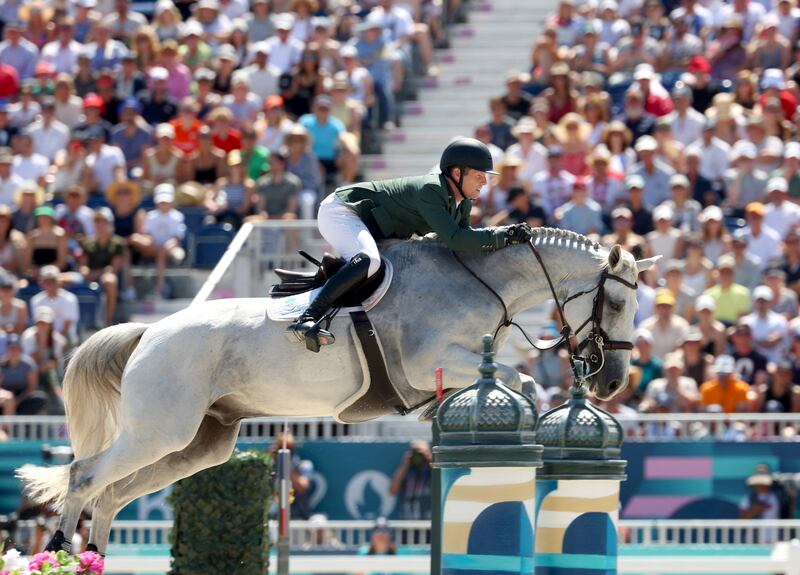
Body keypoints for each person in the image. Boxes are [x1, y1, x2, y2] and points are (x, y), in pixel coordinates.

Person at [285, 138, 533, 350]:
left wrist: (503, 237)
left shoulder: (463, 201)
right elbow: (457, 240)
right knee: (370, 260)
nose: (484, 183)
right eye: (479, 176)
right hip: (342, 211)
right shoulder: (431, 189)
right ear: (457, 173)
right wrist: (505, 235)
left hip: (371, 226)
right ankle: (308, 318)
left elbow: (466, 241)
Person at [390, 440, 432, 520]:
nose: (418, 456)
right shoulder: (407, 472)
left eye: (421, 453)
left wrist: (429, 459)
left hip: (428, 524)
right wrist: (405, 465)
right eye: (415, 452)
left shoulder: (432, 471)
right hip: (408, 524)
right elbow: (393, 490)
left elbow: (442, 482)